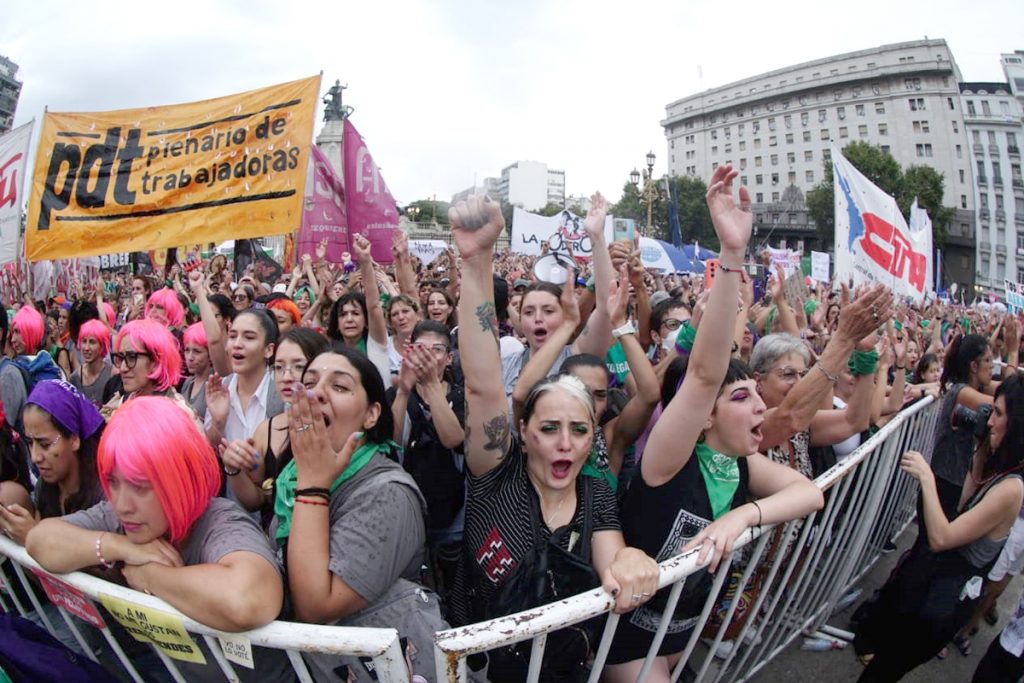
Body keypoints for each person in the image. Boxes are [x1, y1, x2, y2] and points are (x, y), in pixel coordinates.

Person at [603, 165, 824, 681]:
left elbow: (809, 495)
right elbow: (704, 372)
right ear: (703, 419)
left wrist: (742, 517)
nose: (760, 409)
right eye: (743, 396)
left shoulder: (741, 463)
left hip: (680, 634)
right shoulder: (667, 461)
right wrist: (731, 254)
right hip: (630, 643)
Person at [447, 193, 660, 681]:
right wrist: (477, 263)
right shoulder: (494, 476)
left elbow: (613, 552)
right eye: (549, 428)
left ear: (592, 439)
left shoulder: (594, 494)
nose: (565, 442)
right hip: (477, 667)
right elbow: (482, 384)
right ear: (522, 433)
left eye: (579, 430)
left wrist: (628, 561)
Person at [25, 396, 288, 681]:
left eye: (140, 486)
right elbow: (40, 540)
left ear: (180, 478)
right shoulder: (122, 516)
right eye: (113, 481)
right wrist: (118, 546)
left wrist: (149, 576)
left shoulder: (220, 520)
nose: (123, 504)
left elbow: (248, 599)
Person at [273, 345, 443, 681]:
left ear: (371, 414)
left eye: (339, 387)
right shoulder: (290, 476)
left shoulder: (387, 493)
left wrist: (312, 484)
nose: (317, 393)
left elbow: (316, 606)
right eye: (310, 382)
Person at [855, 374, 1024, 681]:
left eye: (998, 414)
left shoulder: (1012, 488)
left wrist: (926, 477)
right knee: (885, 667)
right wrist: (981, 451)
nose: (989, 422)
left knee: (884, 670)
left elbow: (942, 537)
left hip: (943, 605)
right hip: (935, 594)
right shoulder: (1003, 470)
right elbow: (963, 507)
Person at [221, 327, 328, 530]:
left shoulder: (338, 428)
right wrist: (234, 469)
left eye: (298, 366)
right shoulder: (266, 430)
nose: (286, 376)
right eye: (279, 367)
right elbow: (257, 500)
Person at [388, 320, 466, 594]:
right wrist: (403, 391)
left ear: (449, 358)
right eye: (420, 349)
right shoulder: (396, 394)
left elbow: (453, 439)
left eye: (436, 350)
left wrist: (432, 386)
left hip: (453, 515)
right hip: (406, 513)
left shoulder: (461, 396)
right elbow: (391, 441)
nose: (428, 356)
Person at [0, 380, 105, 544]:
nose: (35, 457)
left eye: (45, 444)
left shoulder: (105, 493)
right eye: (29, 442)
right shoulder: (45, 486)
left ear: (74, 439)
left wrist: (36, 537)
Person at [929, 330, 1018, 520]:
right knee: (930, 546)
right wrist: (1012, 352)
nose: (993, 365)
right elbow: (1010, 401)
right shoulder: (962, 393)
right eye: (988, 360)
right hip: (946, 483)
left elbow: (1014, 390)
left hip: (957, 482)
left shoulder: (978, 387)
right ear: (974, 366)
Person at [102, 319, 184, 418]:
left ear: (156, 361)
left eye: (131, 357)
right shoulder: (122, 404)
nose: (123, 368)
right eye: (120, 358)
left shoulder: (177, 414)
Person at [70, 319, 113, 408]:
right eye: (84, 341)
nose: (86, 348)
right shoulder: (75, 377)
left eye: (92, 342)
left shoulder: (113, 374)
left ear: (102, 346)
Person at [179, 322, 212, 419]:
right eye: (187, 350)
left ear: (210, 354)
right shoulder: (187, 382)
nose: (190, 357)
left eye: (197, 351)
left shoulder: (215, 385)